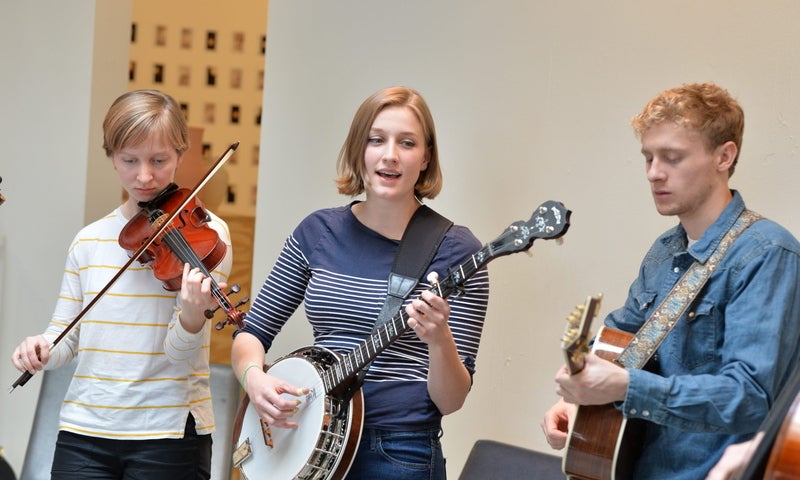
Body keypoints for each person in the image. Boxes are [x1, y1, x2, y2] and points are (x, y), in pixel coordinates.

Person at [541, 82, 800, 479]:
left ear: (724, 156)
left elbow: (748, 398)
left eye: (672, 158)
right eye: (648, 157)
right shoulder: (665, 249)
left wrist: (626, 388)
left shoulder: (767, 254)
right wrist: (581, 402)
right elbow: (620, 342)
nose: (653, 173)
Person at [231, 86, 490, 479]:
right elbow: (252, 335)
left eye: (407, 143)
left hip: (399, 450)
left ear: (425, 159)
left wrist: (440, 340)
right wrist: (254, 379)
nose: (390, 154)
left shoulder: (457, 251)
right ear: (359, 151)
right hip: (307, 439)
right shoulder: (317, 232)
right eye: (376, 140)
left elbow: (451, 400)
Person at [11, 89, 233, 480]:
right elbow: (66, 338)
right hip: (84, 432)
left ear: (181, 153)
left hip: (168, 433)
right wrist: (42, 347)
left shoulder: (207, 234)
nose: (144, 176)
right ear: (111, 156)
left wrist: (193, 314)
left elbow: (179, 354)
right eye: (130, 160)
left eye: (159, 160)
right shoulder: (89, 241)